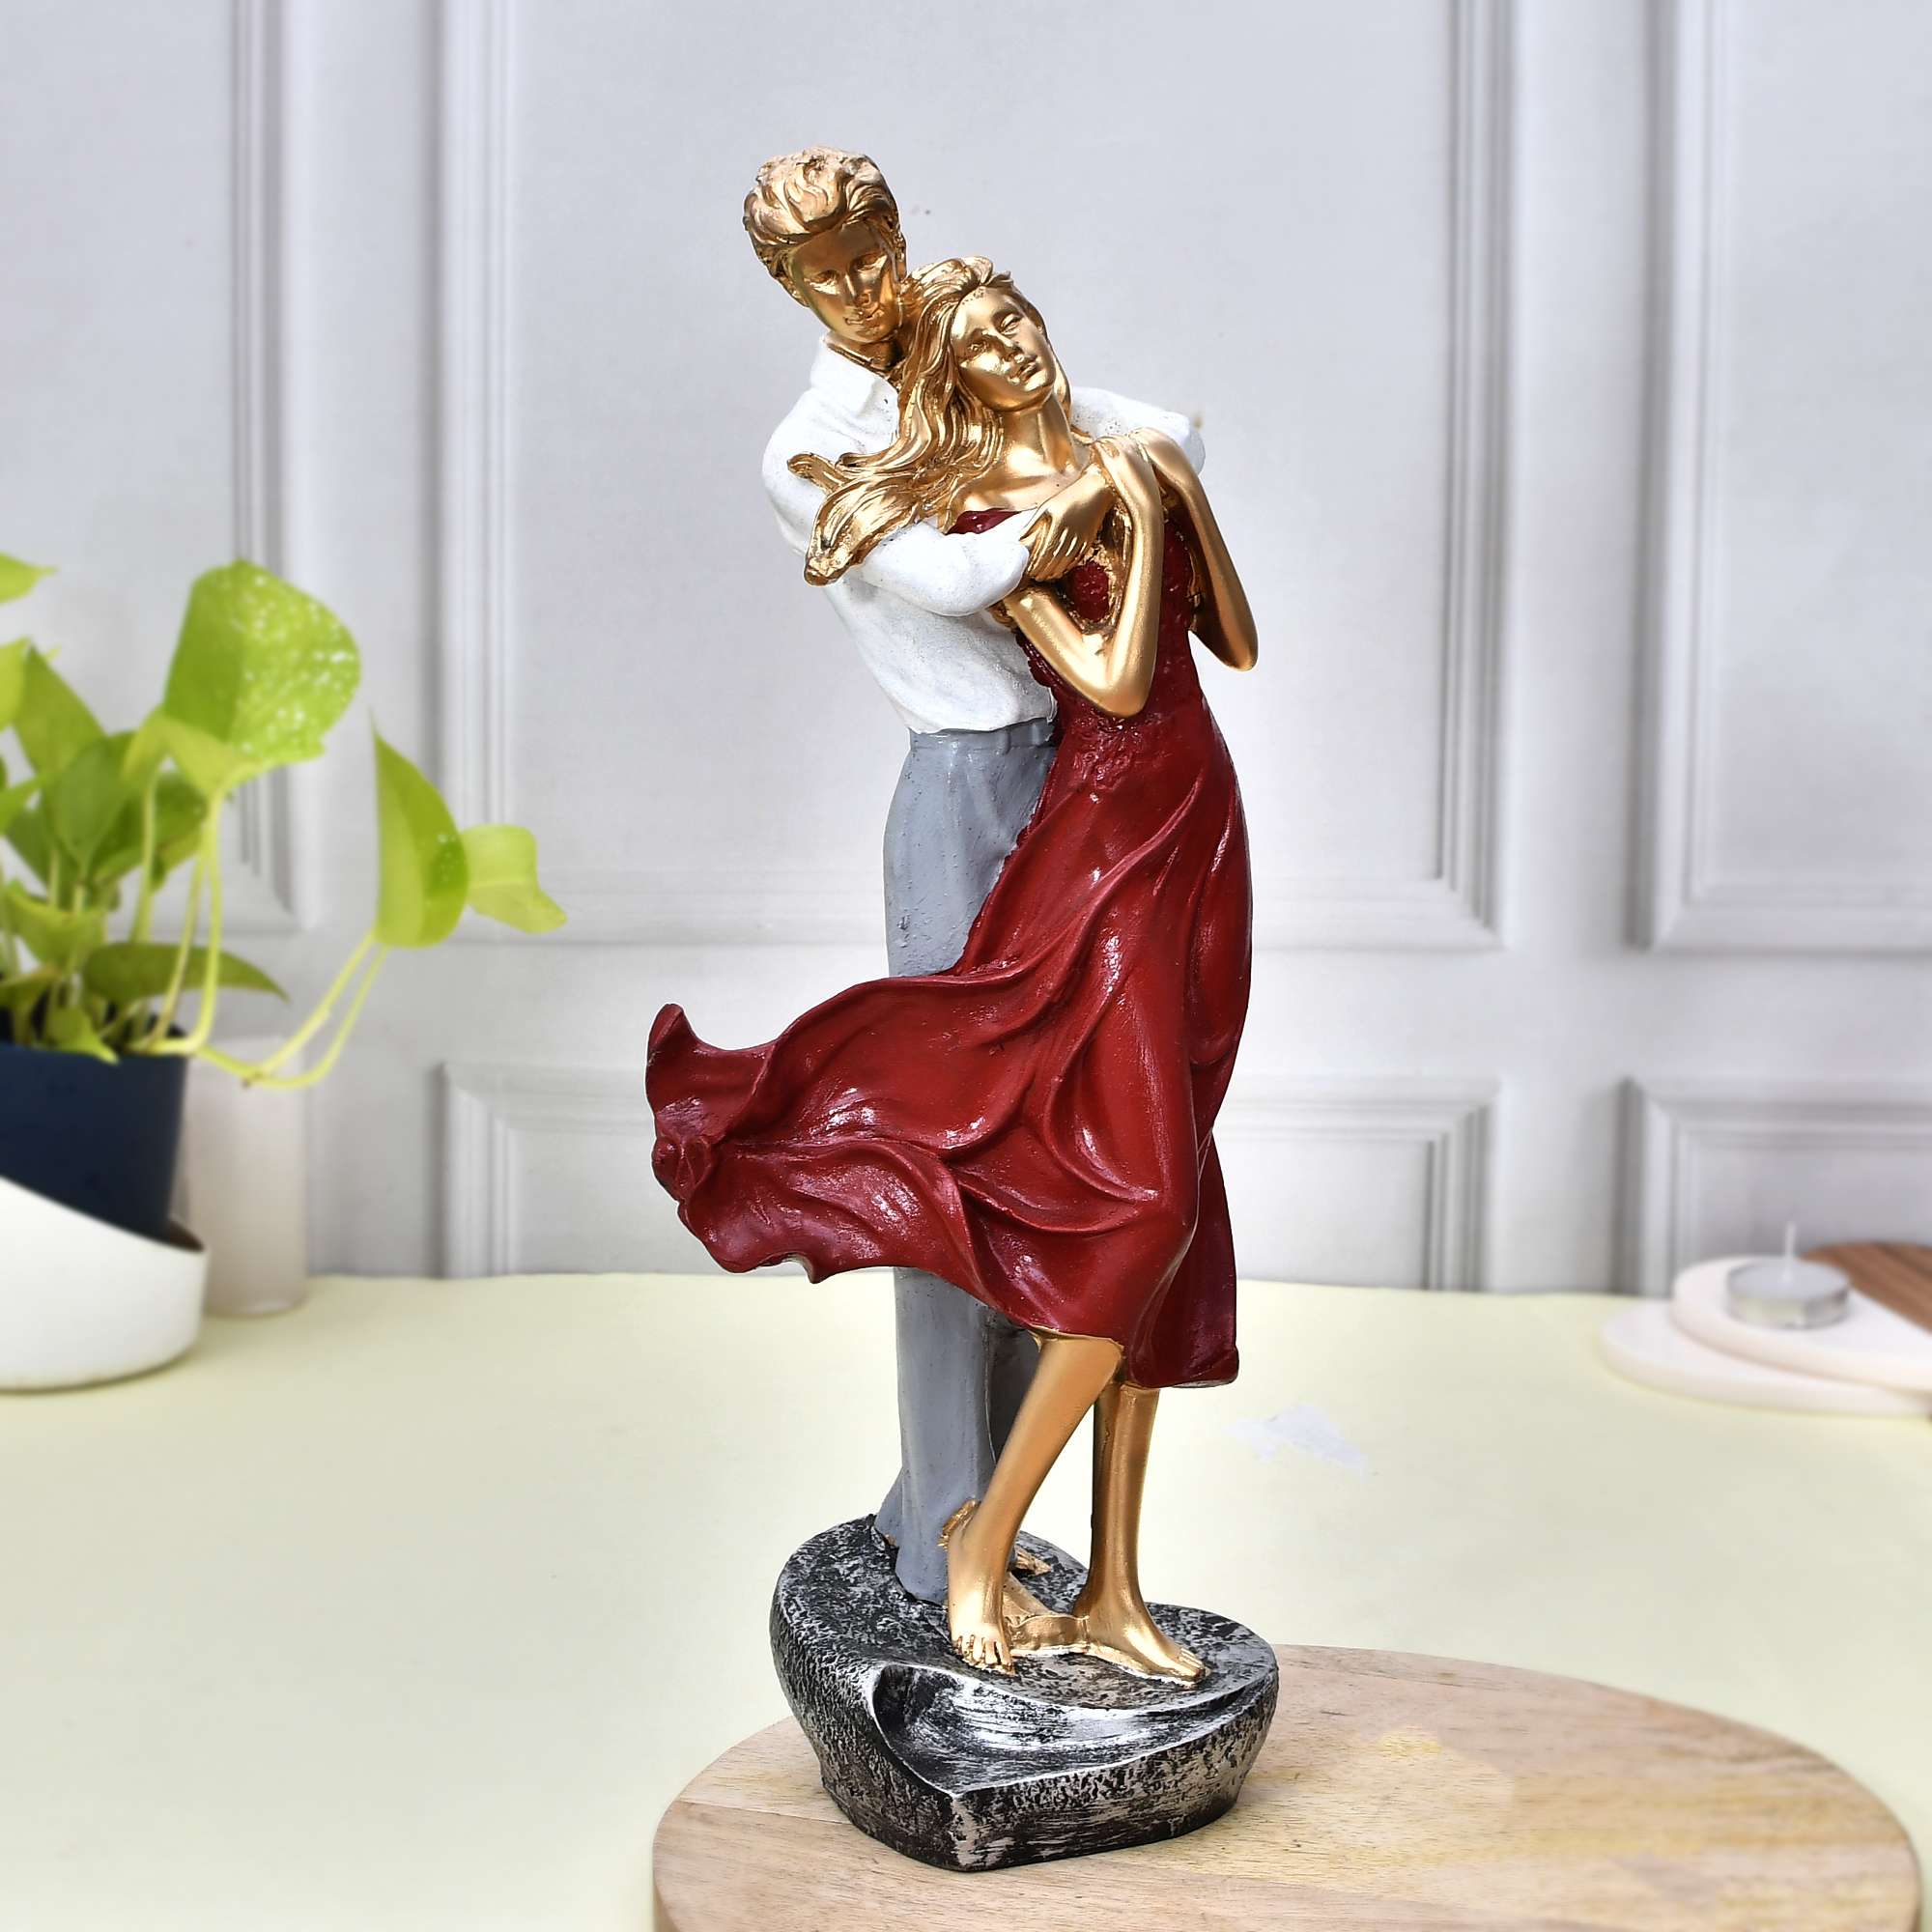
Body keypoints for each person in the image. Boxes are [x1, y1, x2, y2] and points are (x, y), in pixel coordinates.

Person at [650, 255, 1258, 1679]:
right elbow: (1101, 668)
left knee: (1163, 1172)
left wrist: (1162, 486)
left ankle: (1103, 1578)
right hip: (1073, 821)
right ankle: (963, 1530)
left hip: (1188, 823)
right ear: (954, 379)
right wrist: (1123, 503)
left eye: (1018, 316)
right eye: (980, 338)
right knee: (1076, 1172)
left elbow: (1228, 627)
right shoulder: (955, 509)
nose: (1014, 344)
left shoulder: (1116, 456)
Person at [740, 148, 1205, 1609]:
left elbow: (1171, 431)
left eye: (874, 250)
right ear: (791, 289)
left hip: (1086, 783)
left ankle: (971, 1504)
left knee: (1066, 1148)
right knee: (947, 1151)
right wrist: (1063, 496)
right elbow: (949, 581)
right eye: (827, 275)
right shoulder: (811, 441)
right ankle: (946, 1510)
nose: (863, 288)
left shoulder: (961, 347)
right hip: (967, 788)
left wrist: (1076, 465)